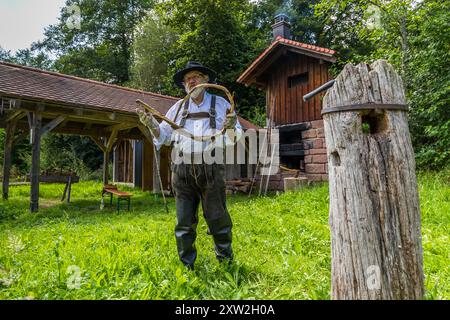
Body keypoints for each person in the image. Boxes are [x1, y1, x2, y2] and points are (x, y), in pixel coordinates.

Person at [138, 61, 242, 270]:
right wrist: (151, 125)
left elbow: (234, 137)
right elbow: (164, 137)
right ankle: (187, 266)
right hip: (182, 170)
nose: (190, 81)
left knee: (217, 218)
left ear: (205, 81)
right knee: (184, 221)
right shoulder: (177, 108)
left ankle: (226, 264)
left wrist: (230, 127)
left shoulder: (221, 104)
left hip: (211, 167)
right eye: (187, 79)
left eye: (195, 77)